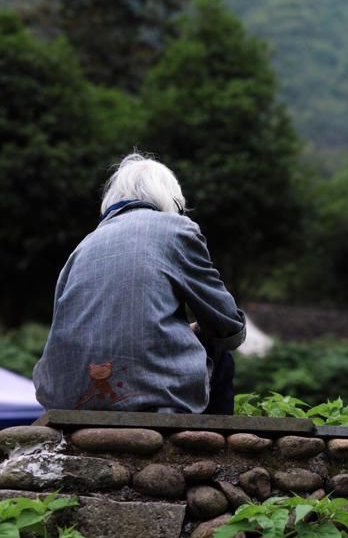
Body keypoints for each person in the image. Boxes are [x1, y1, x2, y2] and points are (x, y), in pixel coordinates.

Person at [33, 153, 246, 414]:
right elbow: (228, 328)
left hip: (66, 399)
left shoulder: (84, 245)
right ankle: (212, 450)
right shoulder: (177, 229)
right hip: (152, 394)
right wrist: (198, 330)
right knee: (220, 358)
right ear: (172, 199)